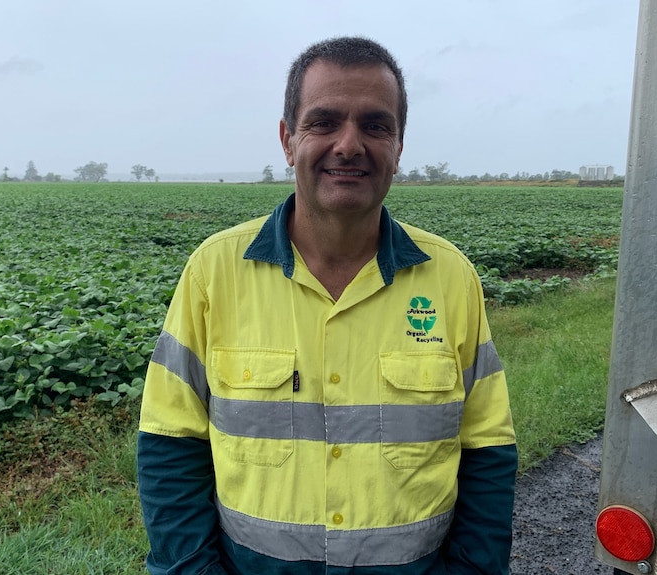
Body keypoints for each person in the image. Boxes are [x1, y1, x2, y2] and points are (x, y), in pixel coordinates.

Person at [137, 36, 517, 575]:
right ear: (288, 140)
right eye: (324, 122)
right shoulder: (213, 273)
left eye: (375, 125)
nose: (349, 144)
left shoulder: (450, 278)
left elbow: (488, 453)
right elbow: (169, 448)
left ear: (399, 146)